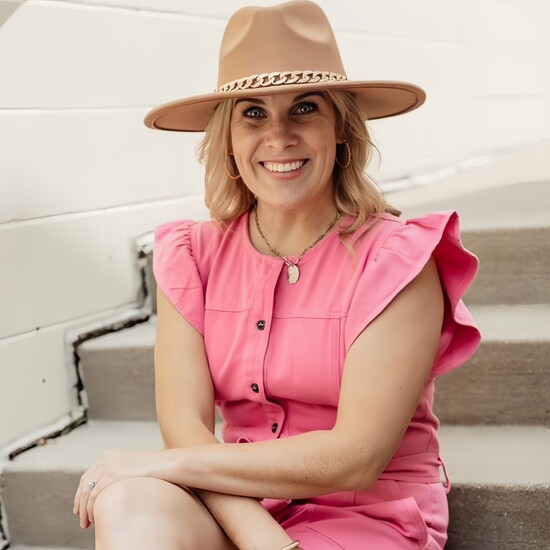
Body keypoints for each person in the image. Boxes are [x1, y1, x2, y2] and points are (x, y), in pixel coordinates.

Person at [73, 2, 481, 549]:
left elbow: (355, 458)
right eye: (253, 113)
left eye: (305, 108)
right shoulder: (191, 255)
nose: (279, 136)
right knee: (127, 501)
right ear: (228, 137)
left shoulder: (398, 259)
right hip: (239, 502)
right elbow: (186, 431)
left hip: (370, 513)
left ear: (341, 128)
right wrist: (261, 536)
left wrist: (170, 468)